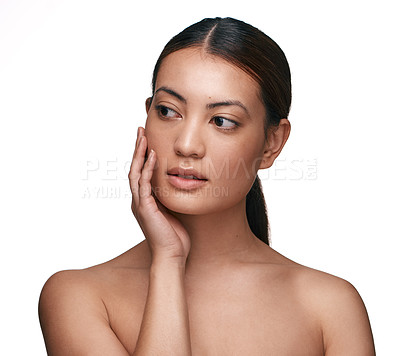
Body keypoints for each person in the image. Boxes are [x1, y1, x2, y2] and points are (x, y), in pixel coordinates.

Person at [39, 17, 375, 355]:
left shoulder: (330, 308)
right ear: (147, 116)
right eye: (168, 111)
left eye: (222, 121)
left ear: (272, 143)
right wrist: (168, 262)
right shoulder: (77, 296)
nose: (187, 145)